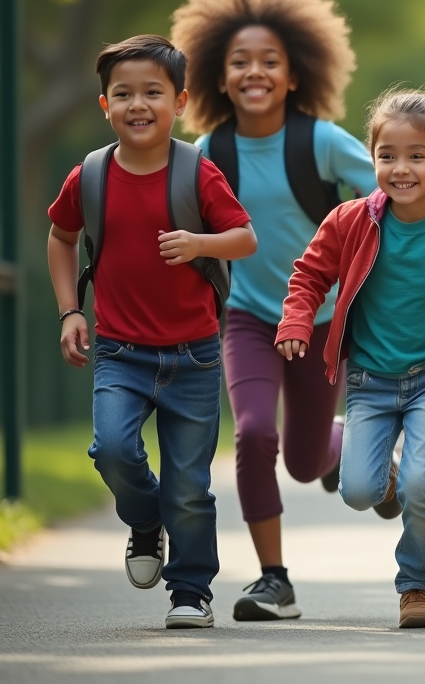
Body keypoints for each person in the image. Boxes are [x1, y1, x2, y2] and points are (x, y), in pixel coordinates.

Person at [170, 0, 377, 621]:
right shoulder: (208, 153)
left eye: (269, 61)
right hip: (249, 319)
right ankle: (273, 579)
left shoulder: (319, 141)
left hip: (320, 320)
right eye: (239, 62)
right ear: (218, 78)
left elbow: (391, 196)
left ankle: (340, 446)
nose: (254, 72)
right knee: (256, 433)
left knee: (306, 462)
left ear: (294, 76)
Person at [275, 84, 425, 629]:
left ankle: (418, 589)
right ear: (372, 156)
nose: (400, 169)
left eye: (416, 157)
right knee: (359, 491)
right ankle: (380, 466)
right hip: (370, 380)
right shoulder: (351, 220)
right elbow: (310, 274)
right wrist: (295, 322)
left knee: (422, 485)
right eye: (387, 156)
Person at [47, 35, 257, 629]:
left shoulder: (197, 170)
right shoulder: (90, 174)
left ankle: (190, 590)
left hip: (193, 354)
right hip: (118, 350)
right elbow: (61, 238)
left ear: (180, 101)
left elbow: (244, 238)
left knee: (190, 484)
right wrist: (70, 310)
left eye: (152, 93)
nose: (138, 105)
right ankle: (145, 521)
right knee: (113, 451)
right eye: (123, 94)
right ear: (104, 105)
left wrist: (199, 243)